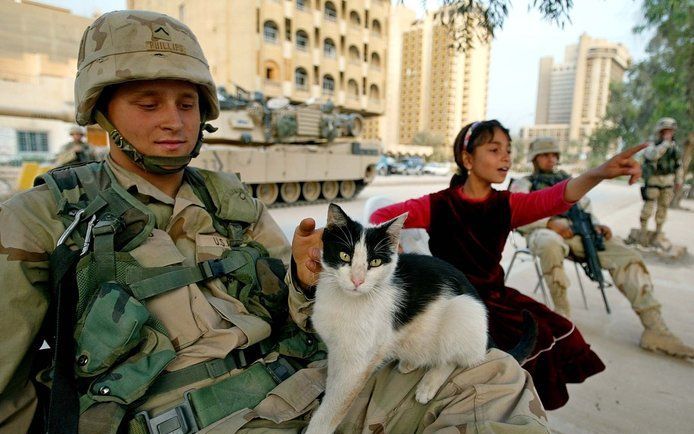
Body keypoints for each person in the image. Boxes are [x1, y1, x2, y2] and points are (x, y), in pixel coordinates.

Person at [0, 11, 550, 433]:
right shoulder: (46, 219)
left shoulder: (228, 197)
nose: (173, 121)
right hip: (193, 417)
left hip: (302, 382)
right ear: (101, 112)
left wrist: (306, 279)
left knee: (495, 377)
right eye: (147, 104)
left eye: (187, 104)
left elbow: (300, 308)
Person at [370, 119, 649, 411]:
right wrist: (392, 245)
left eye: (508, 149)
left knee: (548, 335)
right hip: (449, 303)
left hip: (495, 300)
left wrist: (600, 172)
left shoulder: (509, 204)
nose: (506, 157)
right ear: (467, 159)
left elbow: (557, 197)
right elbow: (381, 215)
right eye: (494, 149)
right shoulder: (438, 204)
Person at [509, 137, 694, 358]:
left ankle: (655, 328)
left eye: (554, 155)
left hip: (579, 234)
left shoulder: (568, 180)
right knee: (549, 243)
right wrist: (549, 223)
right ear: (534, 159)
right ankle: (563, 318)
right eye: (545, 155)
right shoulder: (524, 183)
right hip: (542, 233)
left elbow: (586, 208)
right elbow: (514, 215)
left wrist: (597, 226)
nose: (551, 159)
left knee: (627, 255)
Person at [639, 117, 682, 246]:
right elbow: (653, 156)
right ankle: (643, 234)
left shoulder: (675, 148)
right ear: (660, 132)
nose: (669, 134)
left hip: (668, 182)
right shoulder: (653, 146)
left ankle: (658, 233)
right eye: (666, 131)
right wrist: (664, 144)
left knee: (663, 208)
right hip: (653, 181)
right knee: (648, 208)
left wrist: (679, 180)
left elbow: (678, 165)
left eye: (671, 131)